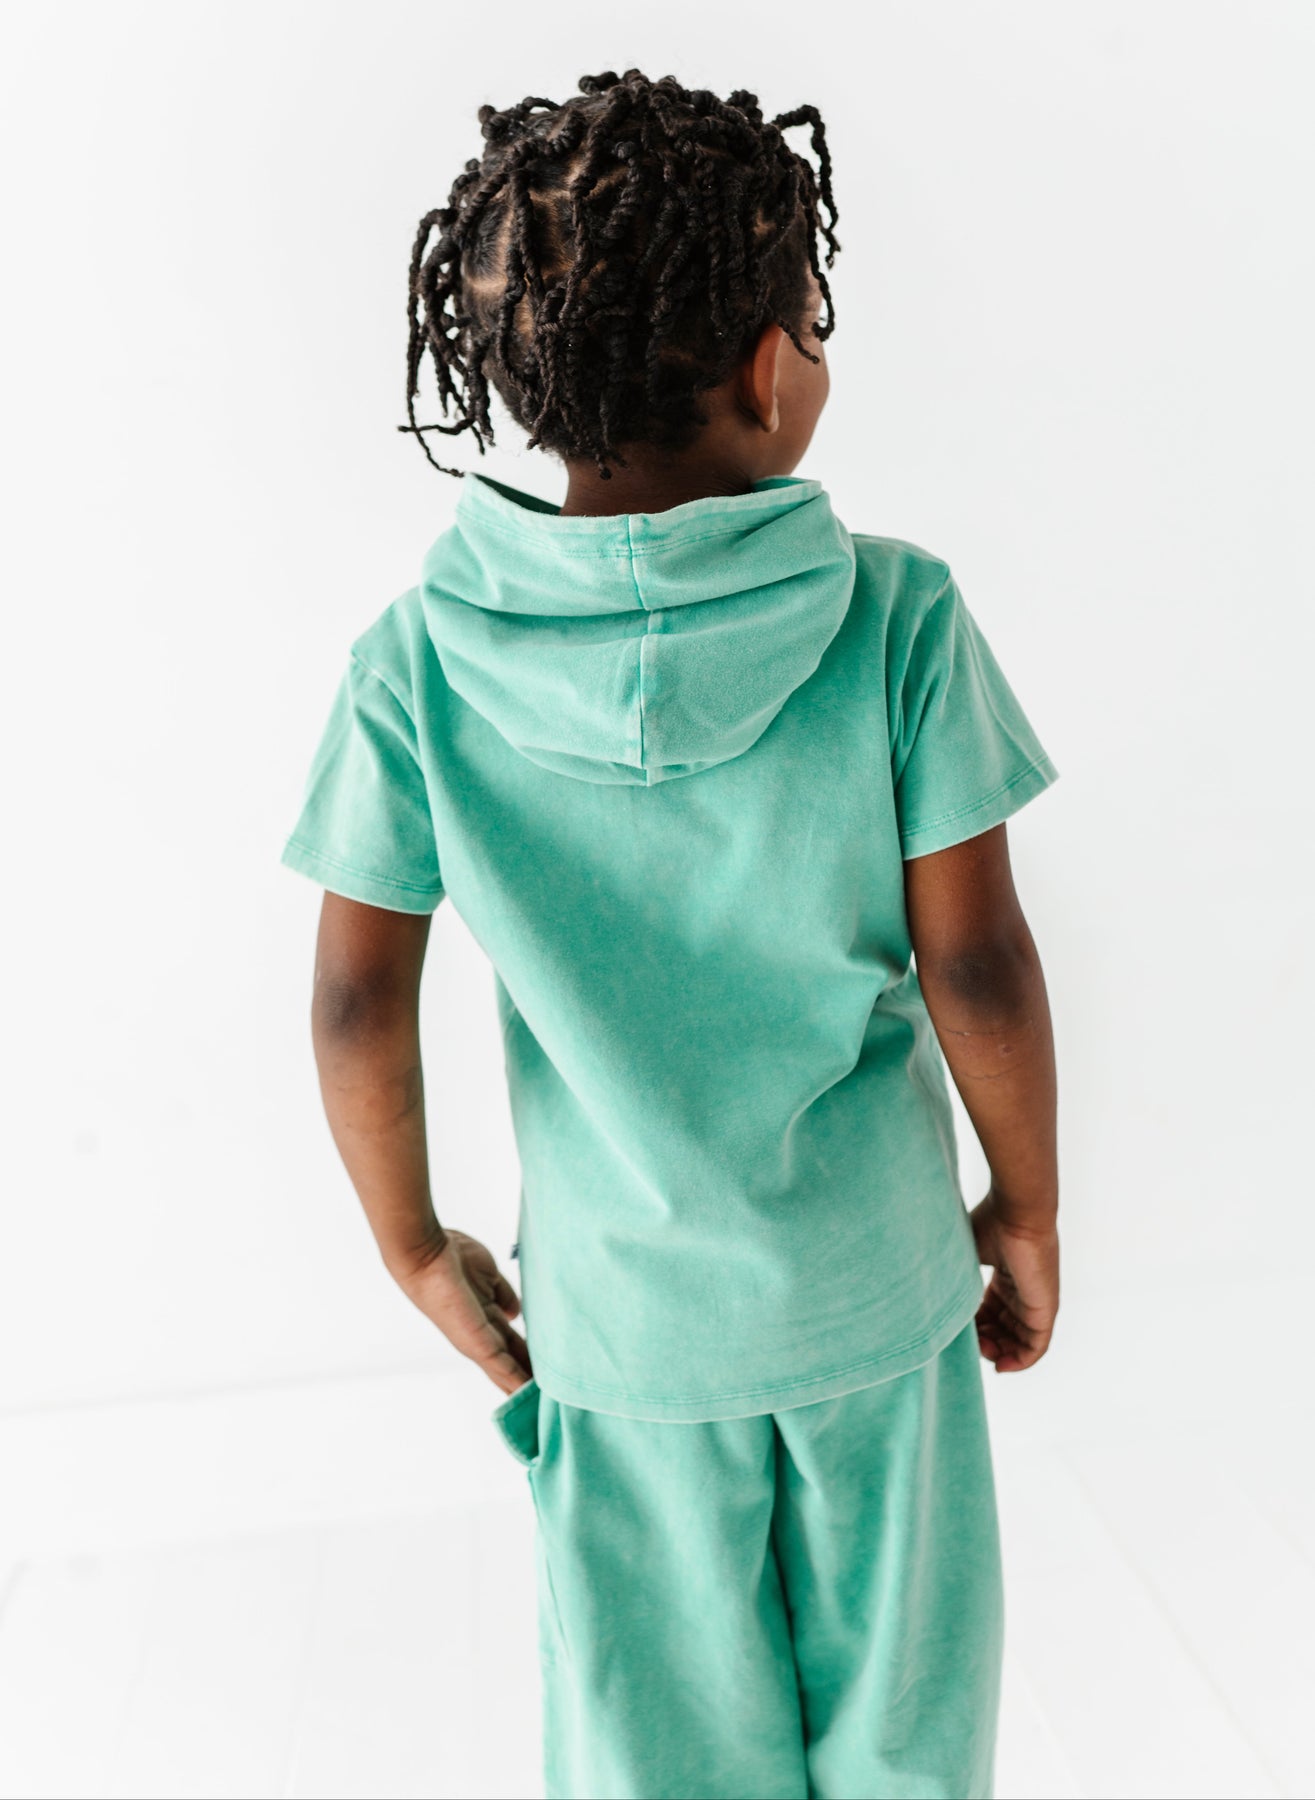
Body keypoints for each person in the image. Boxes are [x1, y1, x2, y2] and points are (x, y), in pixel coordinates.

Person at [280, 69, 1059, 1800]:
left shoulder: (417, 666)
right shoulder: (899, 618)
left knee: (653, 1755)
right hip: (878, 1303)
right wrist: (1025, 1207)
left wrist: (414, 1248)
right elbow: (980, 964)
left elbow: (353, 1003)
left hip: (622, 1339)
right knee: (908, 1732)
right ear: (772, 370)